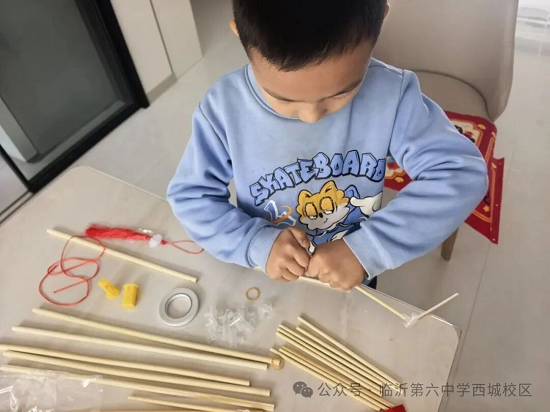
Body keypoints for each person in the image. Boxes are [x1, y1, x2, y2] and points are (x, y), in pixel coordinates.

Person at [167, 0, 488, 291]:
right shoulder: (224, 108)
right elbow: (192, 197)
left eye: (342, 93)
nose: (312, 117)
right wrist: (254, 242)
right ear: (240, 33)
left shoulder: (393, 94)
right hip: (265, 270)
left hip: (353, 269)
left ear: (381, 18)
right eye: (283, 98)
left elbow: (461, 174)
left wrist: (369, 249)